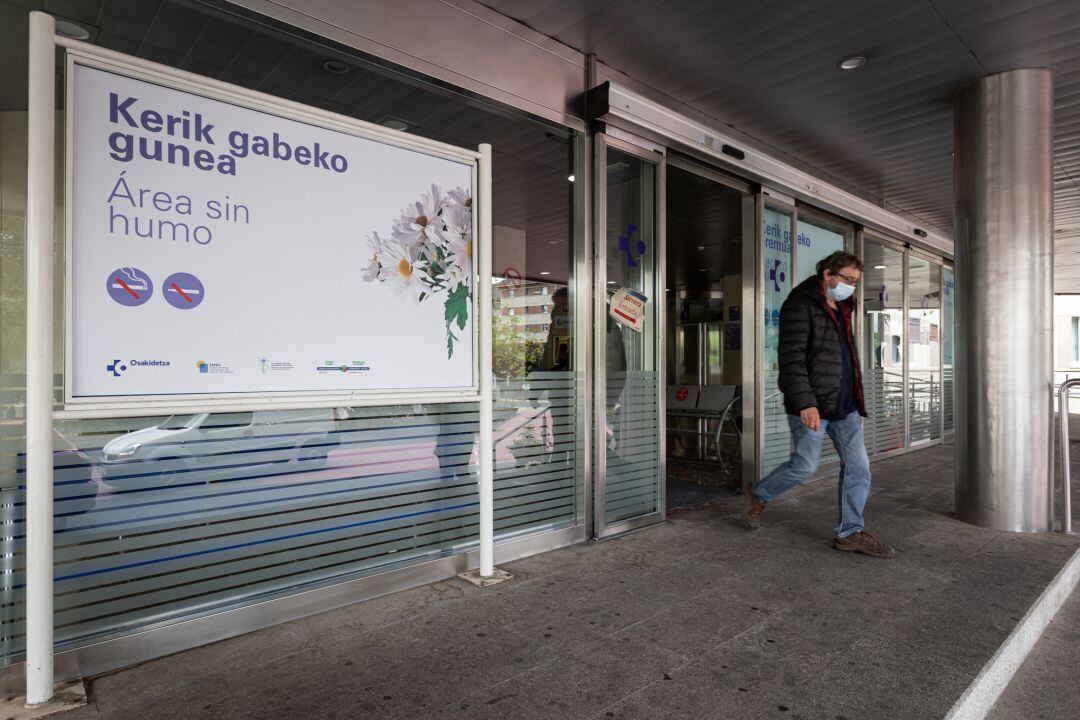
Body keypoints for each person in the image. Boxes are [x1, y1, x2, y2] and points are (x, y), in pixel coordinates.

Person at [742, 251, 895, 558]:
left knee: (860, 469)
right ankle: (760, 493)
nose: (852, 286)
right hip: (811, 405)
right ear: (827, 274)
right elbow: (791, 359)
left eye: (855, 281)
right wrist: (805, 403)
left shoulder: (843, 307)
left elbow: (843, 356)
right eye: (848, 279)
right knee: (804, 467)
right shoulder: (799, 305)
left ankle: (849, 532)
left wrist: (855, 395)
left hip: (845, 405)